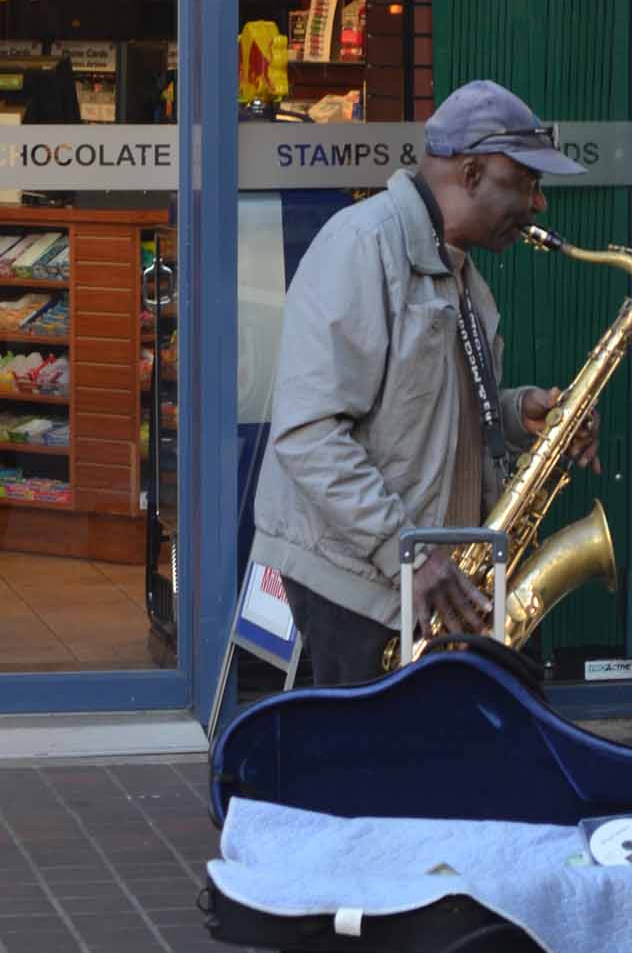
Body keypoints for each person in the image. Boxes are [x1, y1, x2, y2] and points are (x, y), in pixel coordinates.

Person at [253, 79, 598, 686]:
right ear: (469, 173)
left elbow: (427, 412)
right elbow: (308, 434)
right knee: (369, 772)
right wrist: (406, 552)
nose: (538, 205)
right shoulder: (361, 246)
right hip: (361, 589)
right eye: (525, 183)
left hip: (424, 576)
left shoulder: (457, 266)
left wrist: (524, 415)